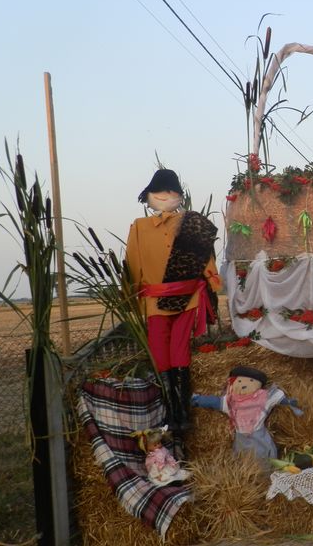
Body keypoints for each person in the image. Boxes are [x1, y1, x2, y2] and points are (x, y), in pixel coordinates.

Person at [125, 169, 221, 435]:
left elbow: (203, 257)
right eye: (159, 193)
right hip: (155, 299)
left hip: (187, 297)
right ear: (148, 197)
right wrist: (130, 296)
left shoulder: (191, 223)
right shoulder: (139, 227)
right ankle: (169, 410)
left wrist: (213, 281)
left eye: (171, 192)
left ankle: (183, 411)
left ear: (180, 196)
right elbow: (132, 263)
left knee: (180, 348)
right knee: (159, 348)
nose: (165, 197)